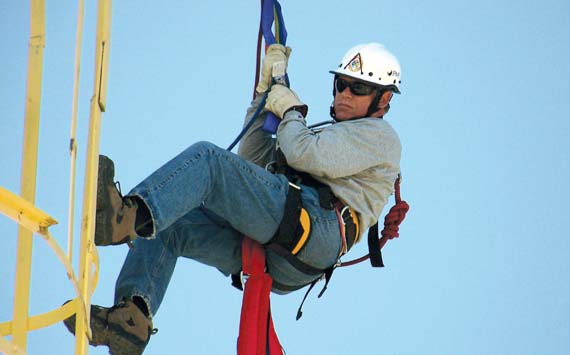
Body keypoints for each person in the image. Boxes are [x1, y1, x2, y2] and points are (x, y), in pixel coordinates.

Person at [63, 42, 403, 355]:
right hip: (287, 241)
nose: (345, 93)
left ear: (384, 100)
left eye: (358, 88)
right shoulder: (325, 134)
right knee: (171, 222)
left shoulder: (379, 136)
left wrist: (291, 111)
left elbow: (301, 153)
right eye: (341, 84)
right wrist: (264, 96)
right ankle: (132, 318)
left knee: (208, 160)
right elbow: (253, 165)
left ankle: (124, 217)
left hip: (315, 229)